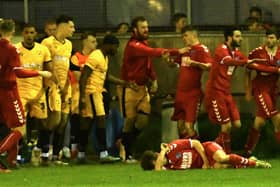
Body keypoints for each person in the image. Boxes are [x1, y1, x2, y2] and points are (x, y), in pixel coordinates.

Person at [119, 16, 187, 162]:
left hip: (143, 88)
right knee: (129, 120)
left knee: (143, 121)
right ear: (135, 29)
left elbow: (148, 63)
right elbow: (153, 52)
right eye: (143, 27)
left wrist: (154, 79)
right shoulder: (133, 45)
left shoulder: (143, 44)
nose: (146, 30)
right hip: (130, 87)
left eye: (147, 27)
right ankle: (126, 150)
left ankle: (125, 142)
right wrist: (177, 51)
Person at [0, 19, 51, 172]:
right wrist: (40, 72)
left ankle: (11, 162)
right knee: (20, 130)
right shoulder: (12, 49)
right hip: (9, 92)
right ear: (13, 31)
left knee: (11, 128)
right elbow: (18, 72)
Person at [204, 27, 265, 154]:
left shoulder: (236, 52)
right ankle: (227, 156)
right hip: (216, 92)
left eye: (240, 36)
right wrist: (245, 62)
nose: (241, 39)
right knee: (226, 126)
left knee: (237, 124)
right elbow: (228, 61)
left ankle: (211, 148)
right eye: (237, 36)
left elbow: (248, 63)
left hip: (226, 92)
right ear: (229, 38)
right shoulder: (221, 50)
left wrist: (267, 66)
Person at [78, 34, 136, 162]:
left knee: (88, 123)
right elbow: (84, 76)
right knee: (100, 119)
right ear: (108, 45)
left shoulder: (105, 58)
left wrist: (124, 83)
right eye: (115, 47)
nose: (116, 50)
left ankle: (81, 154)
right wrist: (82, 97)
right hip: (92, 91)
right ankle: (103, 154)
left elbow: (106, 77)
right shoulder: (96, 56)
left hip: (98, 92)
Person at [40, 15, 76, 165]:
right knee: (54, 120)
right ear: (62, 26)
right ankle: (42, 152)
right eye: (71, 26)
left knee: (63, 121)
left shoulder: (68, 44)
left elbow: (66, 67)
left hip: (65, 87)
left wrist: (66, 84)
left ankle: (55, 156)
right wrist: (53, 83)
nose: (73, 30)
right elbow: (45, 65)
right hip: (51, 86)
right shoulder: (47, 43)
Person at [15, 23, 52, 164]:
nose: (29, 35)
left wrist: (47, 88)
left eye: (32, 32)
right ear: (22, 34)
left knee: (44, 124)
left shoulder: (43, 50)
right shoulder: (16, 49)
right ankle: (17, 156)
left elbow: (49, 70)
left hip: (38, 92)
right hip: (21, 92)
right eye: (26, 32)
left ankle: (44, 154)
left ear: (35, 34)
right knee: (19, 125)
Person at [167, 26, 212, 139]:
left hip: (193, 94)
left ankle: (198, 151)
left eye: (186, 35)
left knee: (189, 126)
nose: (183, 38)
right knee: (180, 126)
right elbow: (173, 64)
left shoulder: (202, 49)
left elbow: (209, 66)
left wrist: (195, 63)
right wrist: (166, 60)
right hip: (180, 93)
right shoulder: (185, 50)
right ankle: (185, 151)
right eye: (182, 36)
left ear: (194, 35)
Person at [244, 28, 280, 156]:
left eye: (272, 38)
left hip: (273, 91)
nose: (268, 40)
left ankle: (247, 151)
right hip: (260, 89)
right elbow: (247, 70)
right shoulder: (257, 52)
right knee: (276, 118)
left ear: (278, 40)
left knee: (259, 122)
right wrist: (247, 90)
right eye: (267, 37)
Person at [140, 138, 271, 170]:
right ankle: (248, 161)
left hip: (206, 149)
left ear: (156, 156)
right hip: (204, 164)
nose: (158, 162)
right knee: (223, 167)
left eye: (156, 160)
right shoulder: (169, 168)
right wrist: (162, 153)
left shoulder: (173, 146)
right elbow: (158, 171)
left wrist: (206, 162)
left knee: (222, 158)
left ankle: (255, 163)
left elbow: (196, 143)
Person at [69, 31, 97, 159]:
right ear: (85, 41)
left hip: (93, 91)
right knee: (77, 120)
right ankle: (75, 149)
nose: (95, 44)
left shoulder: (96, 58)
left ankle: (81, 149)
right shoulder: (76, 58)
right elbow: (78, 76)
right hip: (77, 92)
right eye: (92, 41)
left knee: (89, 121)